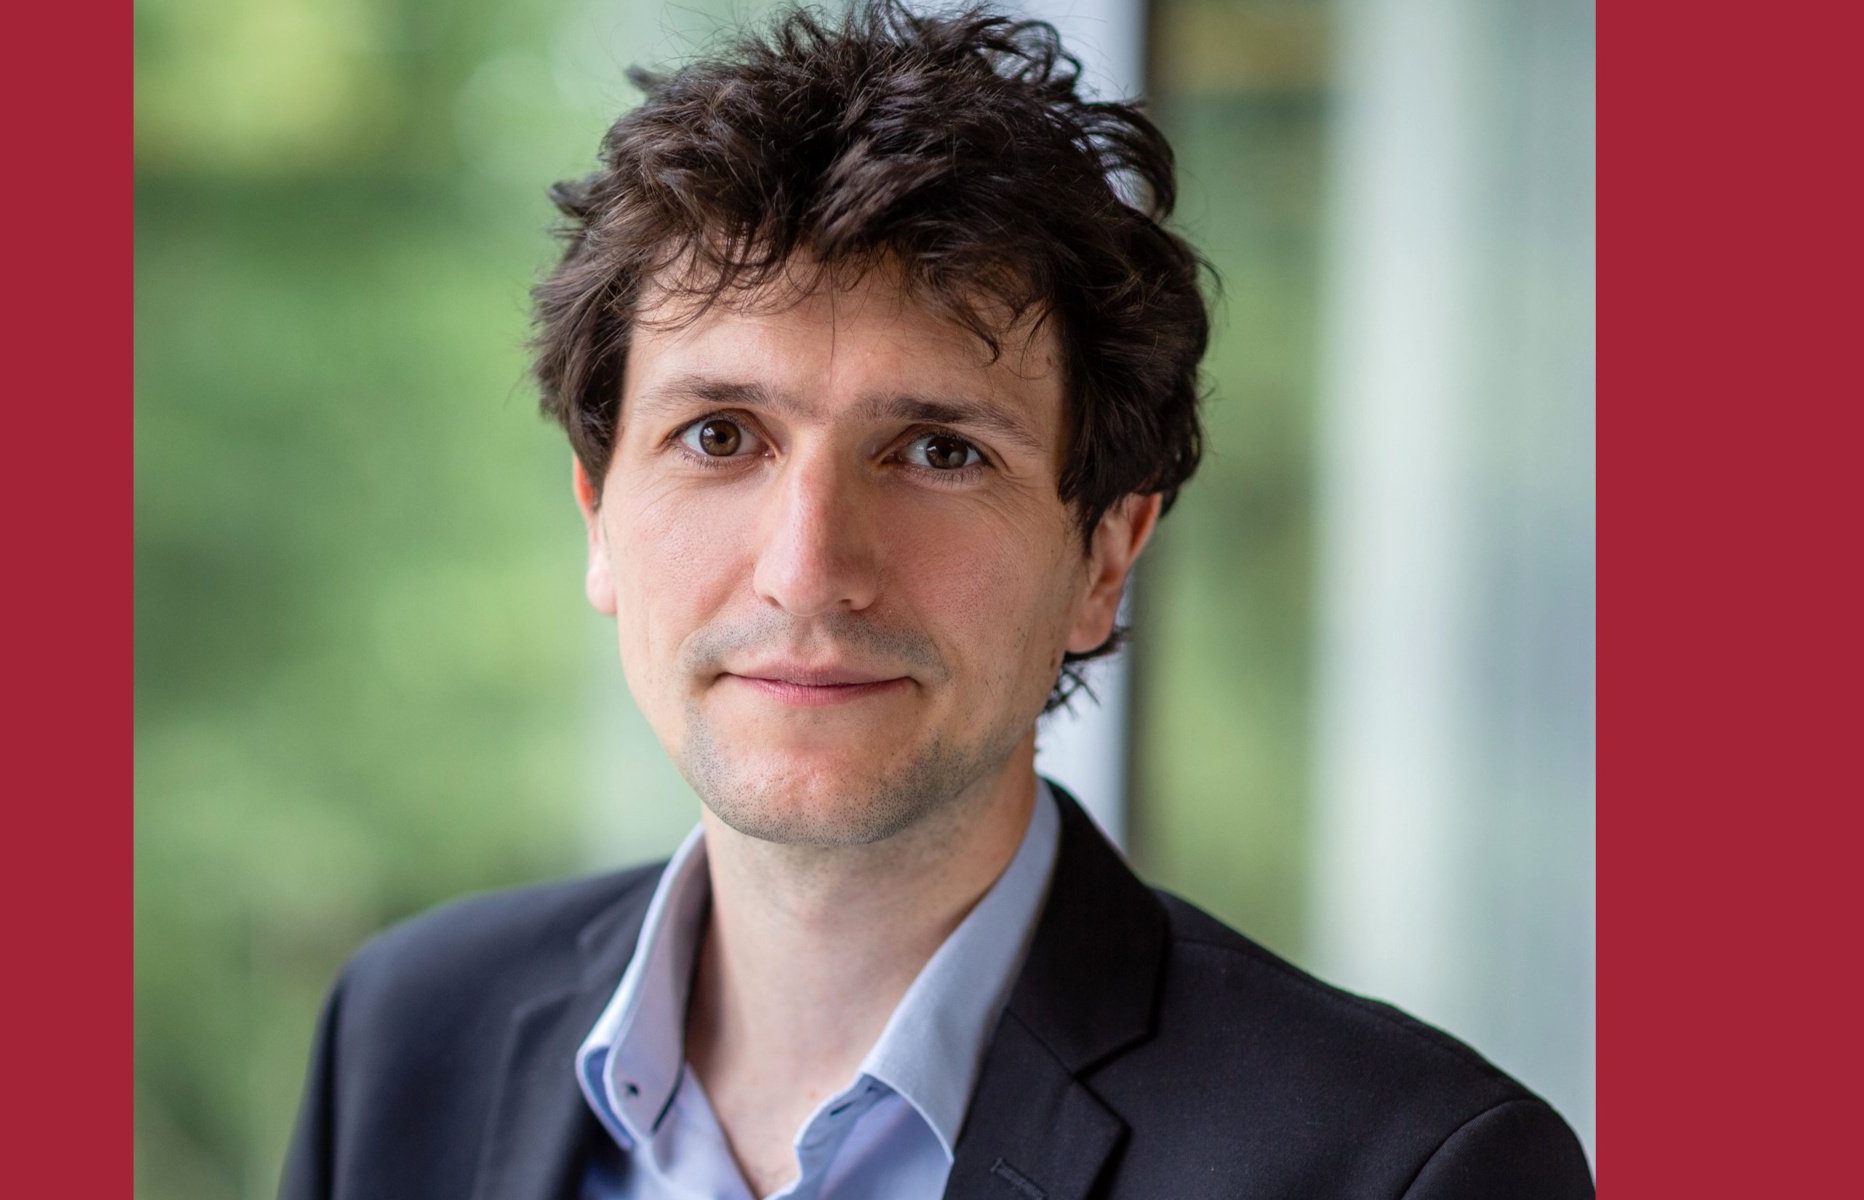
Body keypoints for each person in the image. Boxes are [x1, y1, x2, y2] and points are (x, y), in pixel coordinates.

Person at [279, 3, 1593, 1197]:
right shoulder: (407, 1037)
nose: (807, 567)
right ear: (597, 519)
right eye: (720, 436)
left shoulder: (1404, 1172)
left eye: (939, 452)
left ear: (1104, 557)